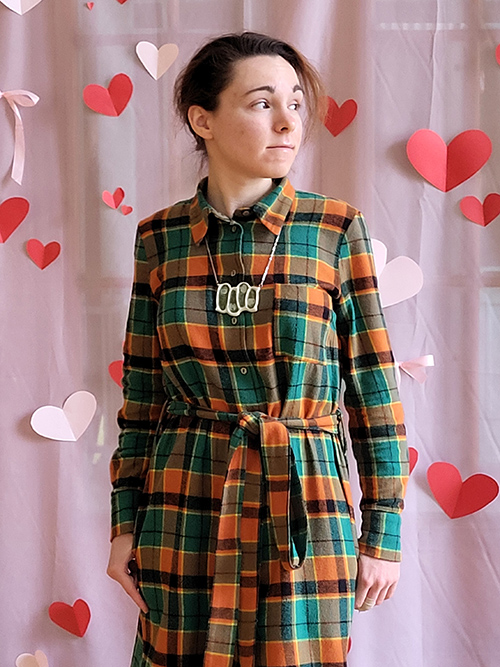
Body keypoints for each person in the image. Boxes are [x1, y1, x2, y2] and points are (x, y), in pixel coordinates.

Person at [106, 31, 409, 667]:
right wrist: (124, 523)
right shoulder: (159, 238)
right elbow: (141, 397)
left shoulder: (334, 228)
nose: (288, 122)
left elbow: (374, 391)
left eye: (295, 103)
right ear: (203, 120)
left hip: (303, 496)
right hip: (185, 496)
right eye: (262, 103)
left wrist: (383, 533)